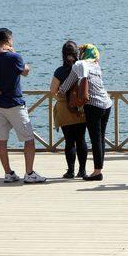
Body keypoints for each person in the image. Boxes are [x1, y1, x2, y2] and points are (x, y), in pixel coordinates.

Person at [0, 28, 46, 183]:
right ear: (9, 39)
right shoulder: (15, 57)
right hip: (15, 104)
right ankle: (29, 173)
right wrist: (17, 54)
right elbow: (26, 71)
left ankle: (8, 173)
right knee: (29, 139)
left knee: (2, 140)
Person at [58, 44, 112, 181]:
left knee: (95, 139)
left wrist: (61, 91)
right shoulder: (96, 65)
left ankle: (97, 172)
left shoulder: (79, 64)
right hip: (107, 104)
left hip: (93, 105)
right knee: (101, 137)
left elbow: (68, 83)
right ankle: (99, 168)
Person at [50, 40, 87, 179]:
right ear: (76, 53)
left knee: (69, 141)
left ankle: (70, 171)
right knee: (81, 139)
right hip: (81, 106)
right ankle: (82, 171)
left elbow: (53, 90)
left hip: (64, 107)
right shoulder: (82, 68)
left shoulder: (60, 71)